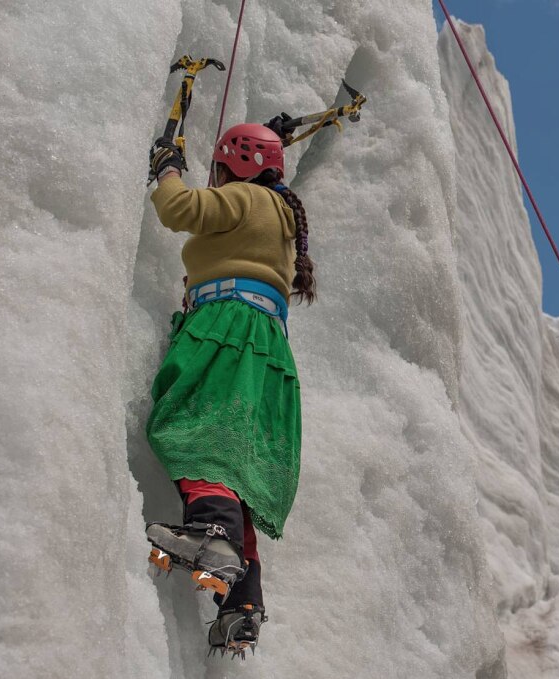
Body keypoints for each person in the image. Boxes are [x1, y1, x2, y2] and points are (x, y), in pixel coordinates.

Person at [144, 123, 314, 655]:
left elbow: (180, 211)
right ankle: (242, 600)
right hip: (268, 350)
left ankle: (212, 534)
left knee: (195, 428)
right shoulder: (282, 215)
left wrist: (167, 169)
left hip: (228, 329)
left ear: (234, 168)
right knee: (234, 465)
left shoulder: (244, 197)